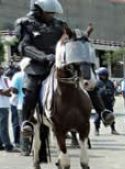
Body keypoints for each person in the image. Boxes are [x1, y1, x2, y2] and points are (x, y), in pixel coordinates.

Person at [14, 0, 114, 141]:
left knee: (86, 80)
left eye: (53, 13)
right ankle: (26, 121)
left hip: (61, 62)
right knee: (30, 90)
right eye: (48, 13)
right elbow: (23, 47)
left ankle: (103, 111)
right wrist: (43, 57)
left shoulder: (59, 25)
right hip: (38, 64)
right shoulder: (25, 24)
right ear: (38, 11)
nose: (52, 15)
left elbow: (70, 40)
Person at [94, 67, 118, 135]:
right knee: (98, 116)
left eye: (104, 75)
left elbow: (113, 91)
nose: (103, 76)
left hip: (108, 102)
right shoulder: (97, 83)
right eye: (101, 75)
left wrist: (113, 99)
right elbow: (95, 93)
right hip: (100, 102)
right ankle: (96, 130)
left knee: (110, 115)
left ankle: (113, 129)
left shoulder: (110, 82)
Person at [9, 66, 28, 154]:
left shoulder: (18, 75)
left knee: (23, 126)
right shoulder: (35, 75)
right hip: (35, 104)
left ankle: (25, 149)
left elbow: (14, 90)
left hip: (21, 104)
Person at [0, 66, 13, 152]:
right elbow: (2, 92)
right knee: (3, 126)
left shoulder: (3, 78)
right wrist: (10, 90)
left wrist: (8, 92)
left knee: (2, 125)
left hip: (4, 105)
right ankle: (7, 144)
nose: (1, 70)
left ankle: (1, 143)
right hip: (2, 105)